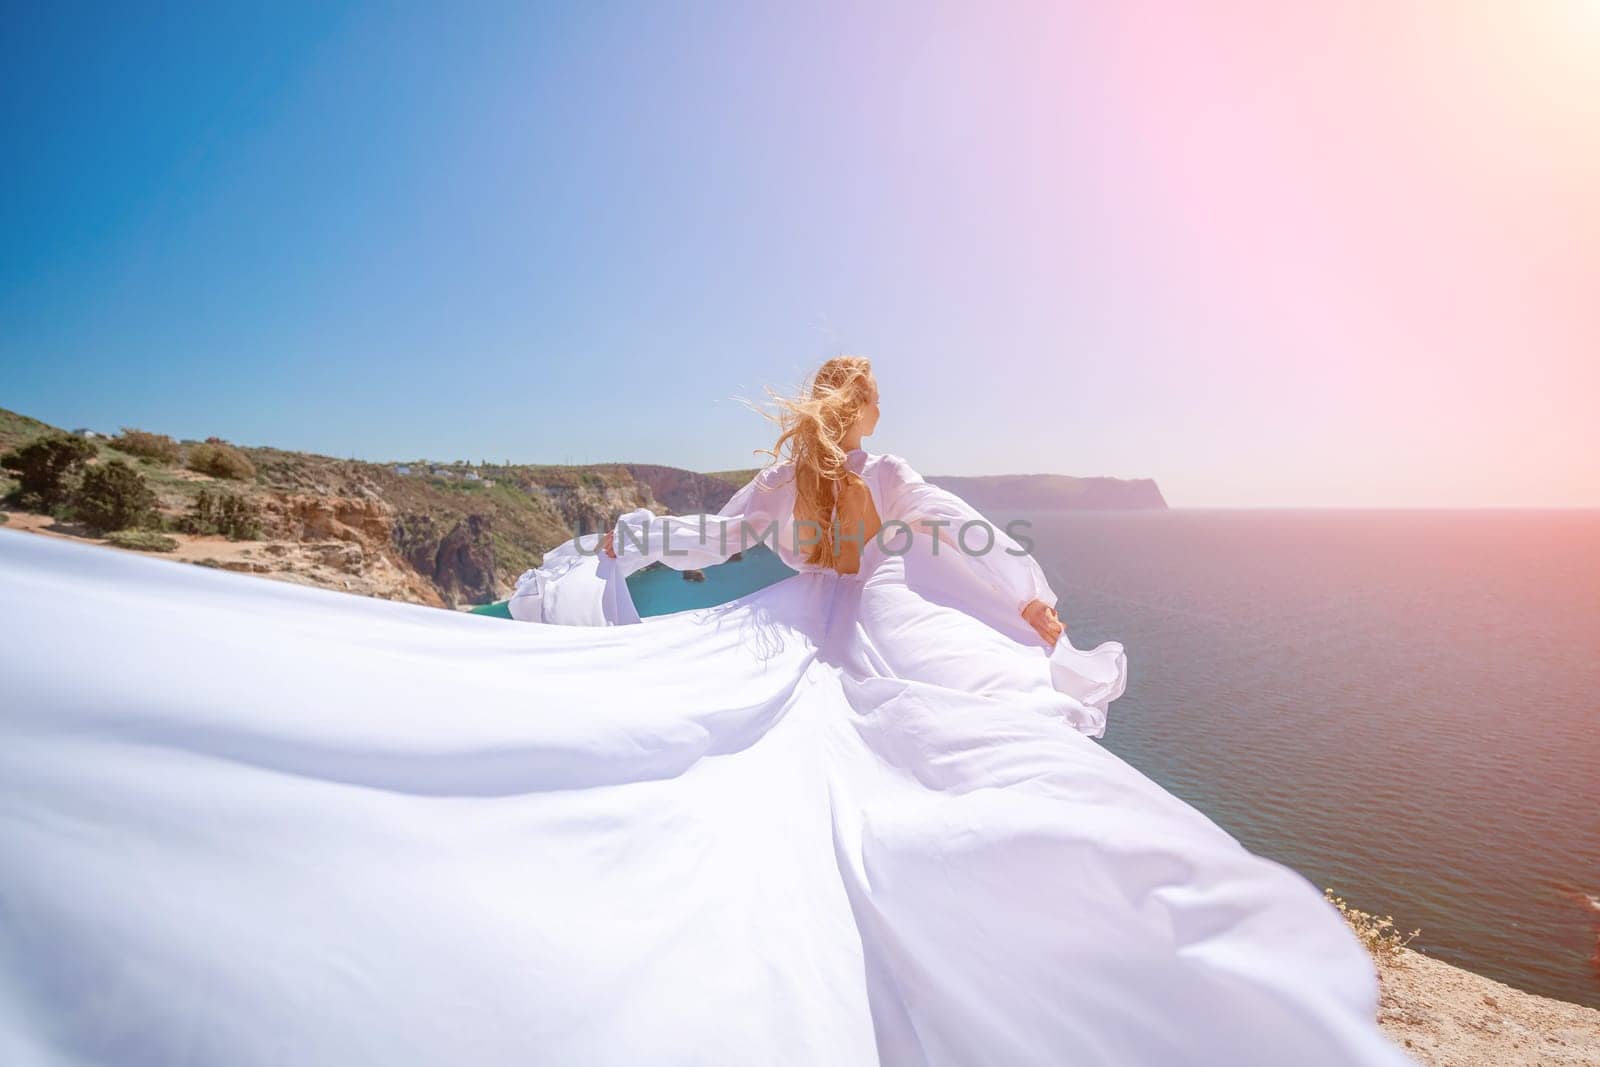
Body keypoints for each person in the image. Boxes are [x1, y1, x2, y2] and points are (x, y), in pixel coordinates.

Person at [0, 357, 1412, 1066]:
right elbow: (970, 541)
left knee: (765, 759)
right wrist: (1040, 615)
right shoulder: (882, 473)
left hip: (791, 624)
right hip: (868, 628)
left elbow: (702, 544)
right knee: (917, 759)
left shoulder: (789, 482)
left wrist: (621, 546)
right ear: (865, 415)